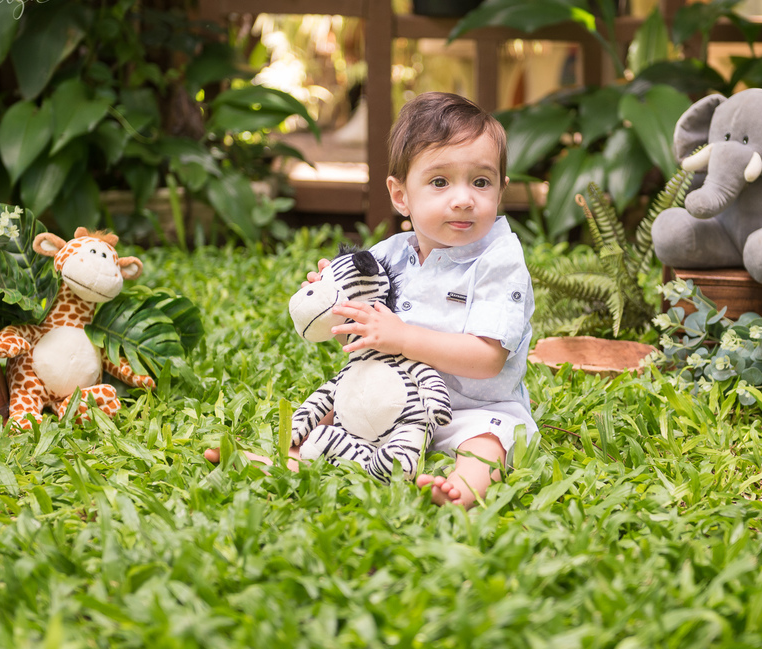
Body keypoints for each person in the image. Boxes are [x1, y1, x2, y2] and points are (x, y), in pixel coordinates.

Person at [209, 92, 537, 508]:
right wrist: (334, 298)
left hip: (475, 408)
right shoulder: (389, 254)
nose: (463, 198)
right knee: (337, 408)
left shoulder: (499, 260)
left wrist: (402, 338)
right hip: (396, 400)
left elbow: (488, 358)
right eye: (439, 182)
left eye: (481, 182)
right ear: (401, 196)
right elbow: (358, 322)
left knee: (491, 440)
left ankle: (462, 488)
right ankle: (287, 460)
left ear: (501, 190)